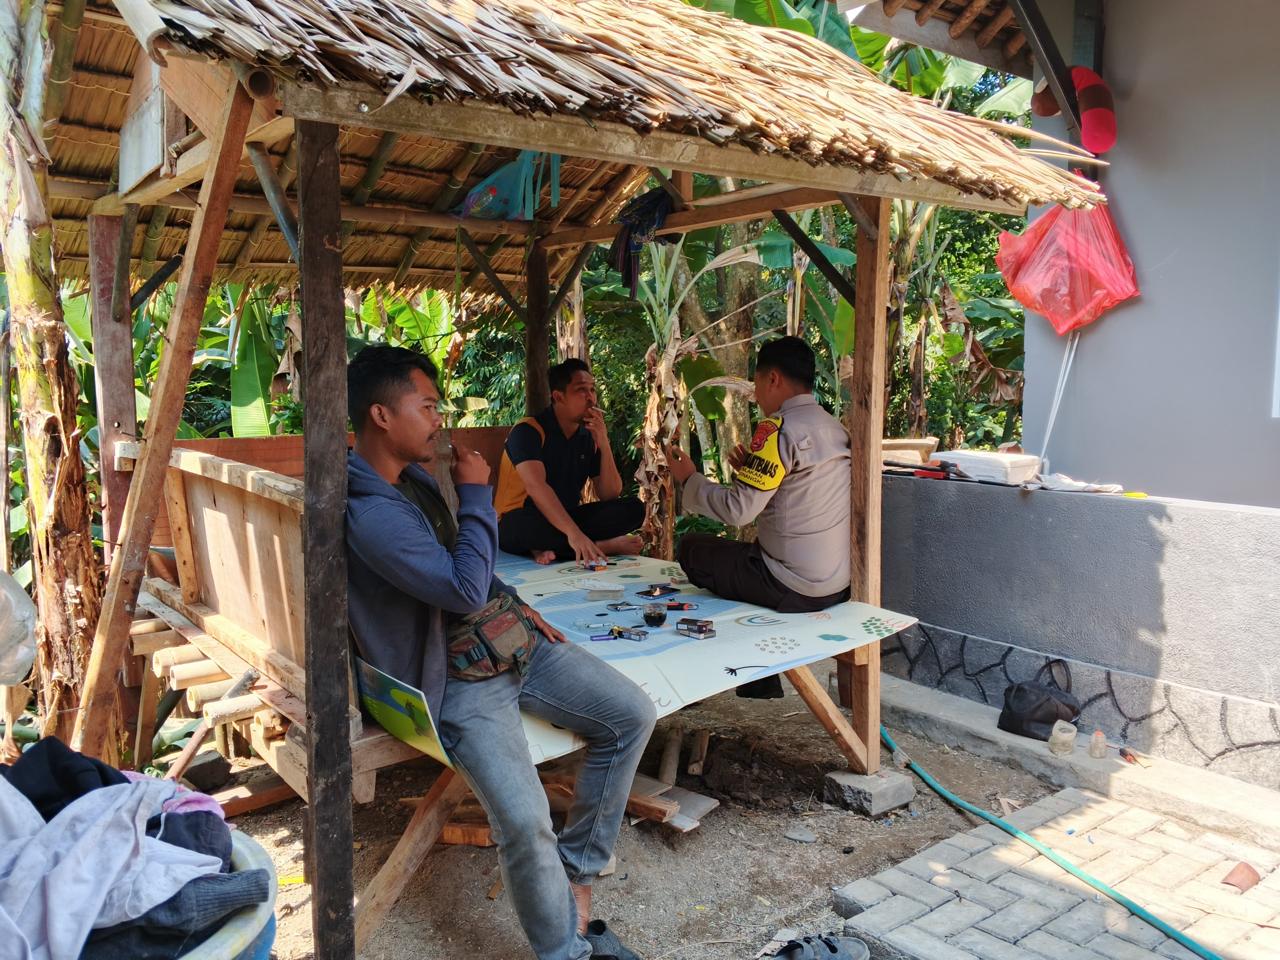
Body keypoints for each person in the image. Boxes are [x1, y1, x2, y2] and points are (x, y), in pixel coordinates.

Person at [345, 345, 655, 960]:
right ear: (381, 415)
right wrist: (477, 496)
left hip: (507, 638)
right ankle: (565, 950)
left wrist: (518, 603)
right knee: (526, 820)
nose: (439, 418)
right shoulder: (368, 512)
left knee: (631, 714)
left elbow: (472, 569)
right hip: (454, 676)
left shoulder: (410, 480)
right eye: (427, 406)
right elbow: (461, 588)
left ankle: (576, 875)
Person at [664, 336, 851, 698]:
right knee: (740, 559)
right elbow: (799, 495)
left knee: (693, 550)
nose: (756, 396)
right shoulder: (835, 428)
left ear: (773, 379)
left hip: (791, 585)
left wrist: (689, 478)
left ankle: (751, 669)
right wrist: (750, 472)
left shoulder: (777, 429)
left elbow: (739, 511)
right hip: (835, 584)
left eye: (757, 384)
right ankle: (760, 677)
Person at [496, 358, 644, 565]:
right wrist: (575, 534)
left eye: (592, 389)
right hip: (519, 519)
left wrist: (603, 441)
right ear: (559, 397)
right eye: (581, 390)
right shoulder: (528, 431)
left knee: (634, 509)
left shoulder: (587, 437)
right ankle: (602, 546)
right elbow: (537, 487)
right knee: (523, 528)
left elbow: (609, 493)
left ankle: (547, 547)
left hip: (564, 518)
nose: (591, 398)